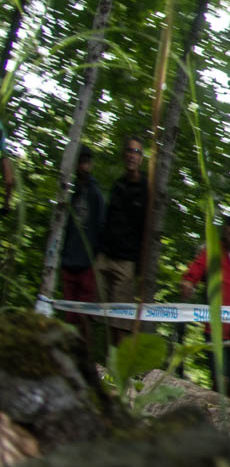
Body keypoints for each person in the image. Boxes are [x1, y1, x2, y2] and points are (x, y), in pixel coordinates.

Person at [179, 213, 230, 399]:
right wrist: (188, 283)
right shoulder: (212, 252)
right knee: (220, 380)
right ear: (224, 229)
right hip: (215, 330)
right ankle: (219, 416)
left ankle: (229, 418)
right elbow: (194, 271)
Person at [95, 135, 148, 341]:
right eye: (129, 151)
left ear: (141, 158)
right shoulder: (118, 185)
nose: (132, 156)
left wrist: (140, 269)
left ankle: (118, 367)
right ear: (123, 155)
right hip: (105, 255)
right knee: (92, 311)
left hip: (126, 262)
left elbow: (146, 229)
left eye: (137, 152)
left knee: (121, 321)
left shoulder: (146, 188)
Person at [57, 143, 103, 344]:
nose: (83, 167)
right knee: (70, 315)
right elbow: (62, 224)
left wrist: (95, 258)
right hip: (69, 260)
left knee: (84, 315)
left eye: (86, 163)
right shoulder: (70, 191)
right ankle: (71, 355)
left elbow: (101, 226)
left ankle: (84, 357)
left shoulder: (95, 194)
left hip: (87, 263)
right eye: (80, 163)